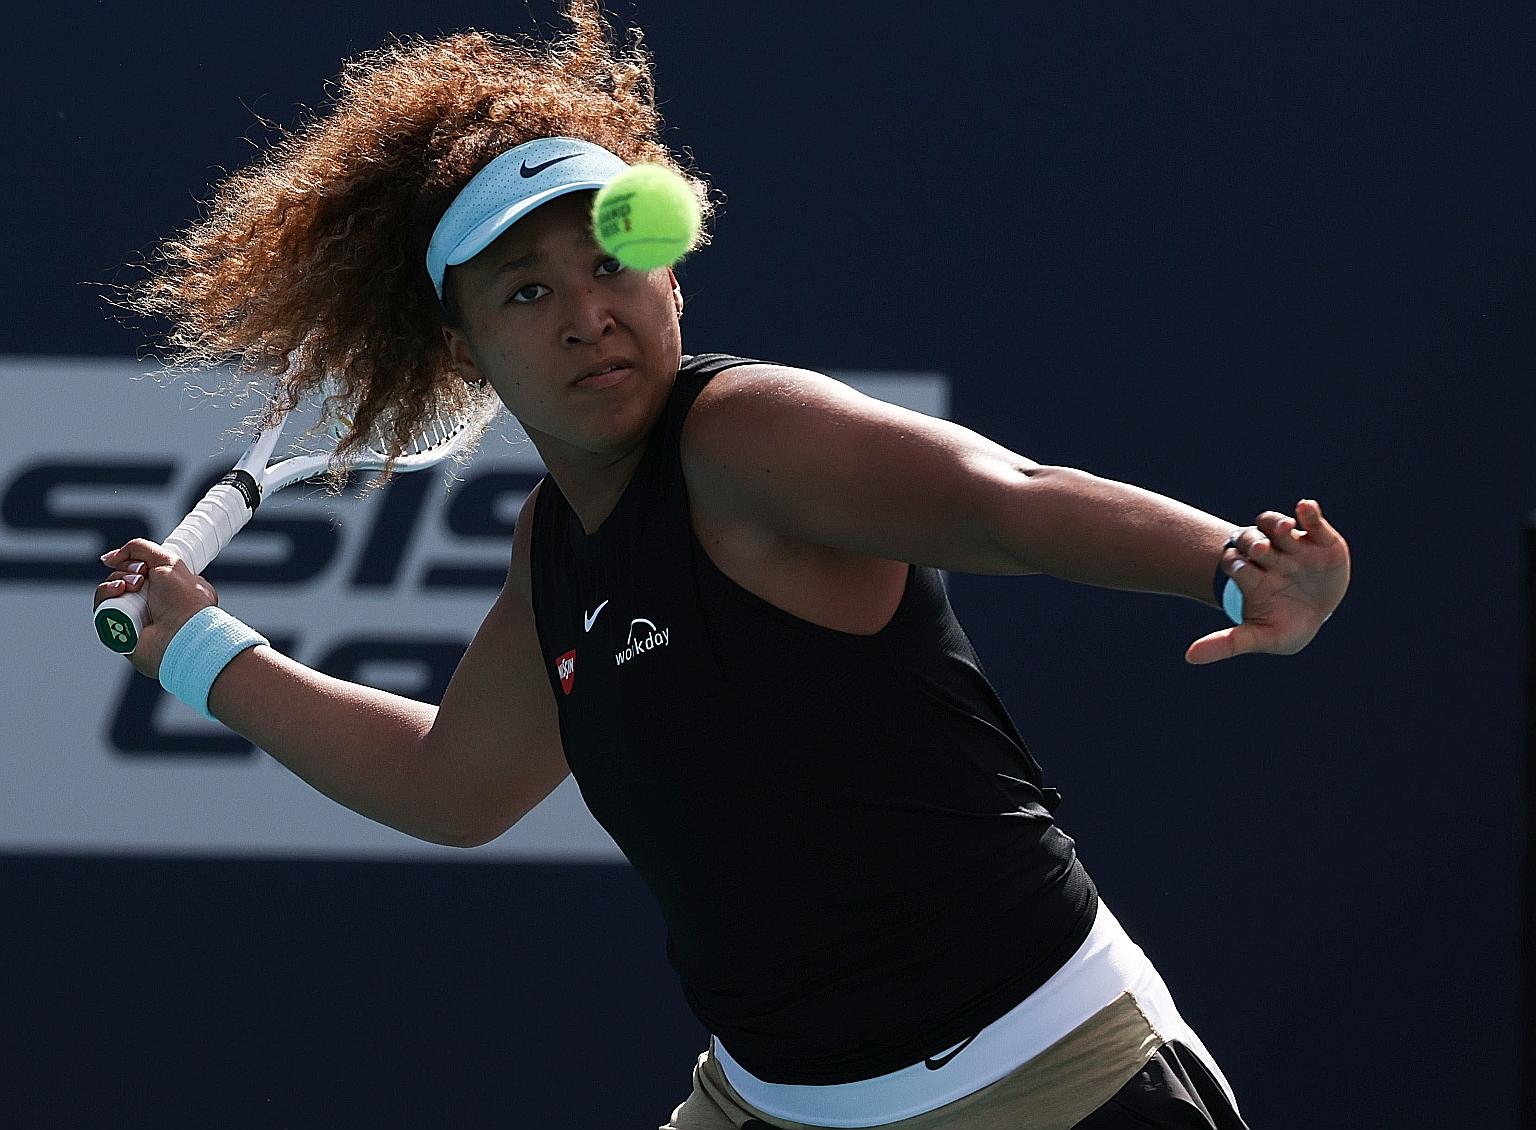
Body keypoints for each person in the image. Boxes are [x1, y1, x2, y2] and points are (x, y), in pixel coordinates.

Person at [94, 4, 1350, 1127]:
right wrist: (197, 647)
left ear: (671, 280)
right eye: (527, 292)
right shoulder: (554, 541)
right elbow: (454, 784)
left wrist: (1229, 565)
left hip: (1047, 1083)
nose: (588, 312)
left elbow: (1004, 501)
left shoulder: (748, 438)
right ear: (464, 346)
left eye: (610, 263)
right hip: (771, 1099)